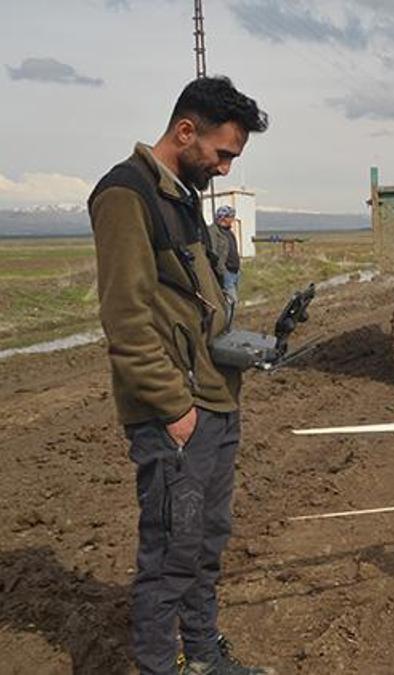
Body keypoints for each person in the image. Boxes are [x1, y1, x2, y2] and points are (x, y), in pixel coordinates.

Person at [87, 76, 271, 675]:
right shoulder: (126, 194)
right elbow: (127, 319)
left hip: (214, 402)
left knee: (204, 546)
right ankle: (159, 666)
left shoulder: (181, 196)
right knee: (170, 554)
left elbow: (196, 304)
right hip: (177, 415)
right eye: (221, 154)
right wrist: (175, 410)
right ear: (185, 131)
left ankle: (205, 656)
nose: (222, 169)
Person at [210, 205, 241, 303]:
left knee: (232, 303)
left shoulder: (229, 232)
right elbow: (213, 253)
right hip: (226, 272)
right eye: (230, 217)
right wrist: (222, 271)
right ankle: (226, 319)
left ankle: (229, 318)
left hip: (235, 272)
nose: (232, 219)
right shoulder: (214, 231)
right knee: (231, 302)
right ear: (223, 217)